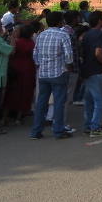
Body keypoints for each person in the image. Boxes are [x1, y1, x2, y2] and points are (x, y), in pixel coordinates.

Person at [30, 12, 74, 140]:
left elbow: (35, 54)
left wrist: (40, 64)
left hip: (43, 73)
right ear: (60, 22)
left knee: (41, 103)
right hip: (59, 72)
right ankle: (58, 130)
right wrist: (68, 66)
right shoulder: (63, 35)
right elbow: (69, 56)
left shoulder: (41, 35)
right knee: (59, 102)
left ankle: (36, 131)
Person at [80, 11, 102, 136]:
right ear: (99, 20)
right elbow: (98, 52)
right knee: (99, 100)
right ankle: (95, 127)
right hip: (96, 70)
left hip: (86, 69)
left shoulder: (86, 35)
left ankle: (88, 125)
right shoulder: (100, 34)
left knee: (89, 100)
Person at [1, 23, 36, 126]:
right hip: (28, 68)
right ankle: (19, 117)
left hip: (15, 68)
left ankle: (5, 117)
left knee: (11, 92)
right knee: (25, 92)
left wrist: (12, 39)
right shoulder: (31, 42)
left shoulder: (16, 42)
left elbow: (11, 52)